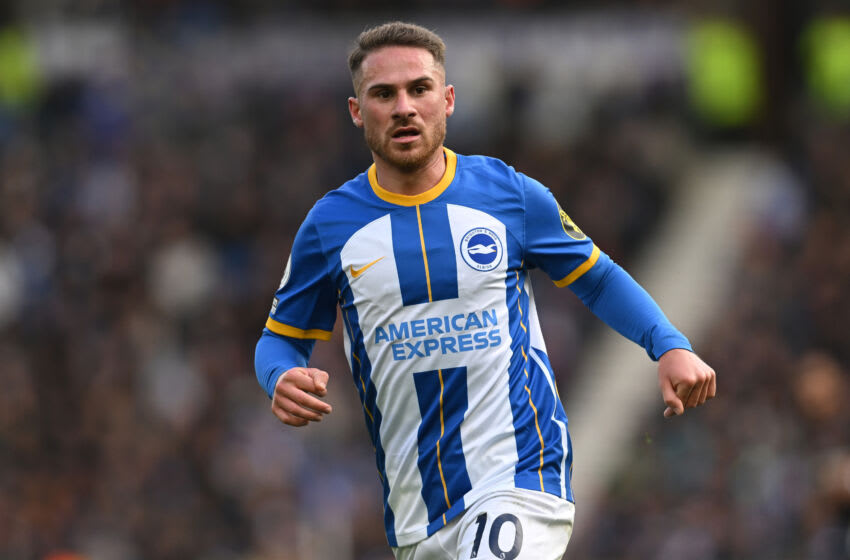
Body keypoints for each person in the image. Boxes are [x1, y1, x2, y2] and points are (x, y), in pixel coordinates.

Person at [254, 21, 716, 560]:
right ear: (358, 111)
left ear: (446, 100)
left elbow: (600, 278)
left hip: (520, 479)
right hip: (417, 514)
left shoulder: (509, 196)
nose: (404, 107)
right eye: (384, 94)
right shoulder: (331, 226)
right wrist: (280, 376)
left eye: (419, 89)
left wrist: (668, 343)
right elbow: (279, 339)